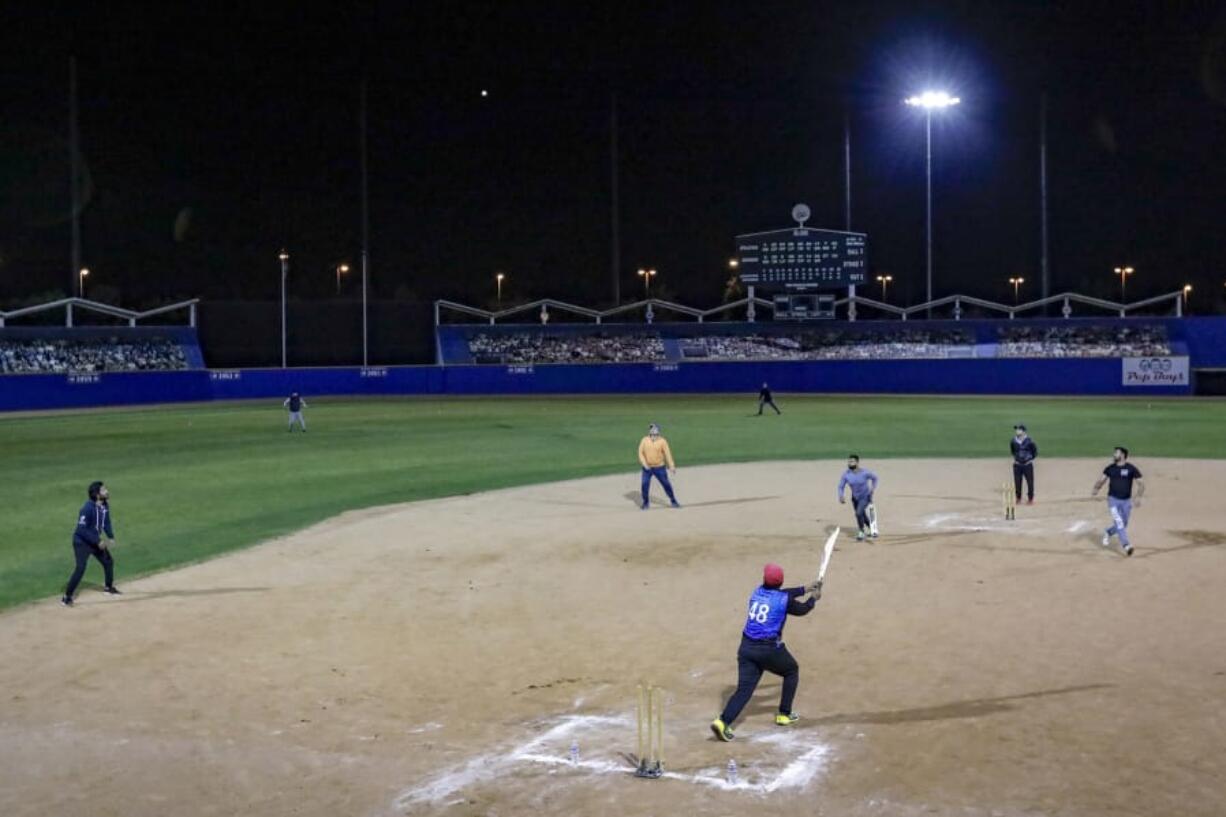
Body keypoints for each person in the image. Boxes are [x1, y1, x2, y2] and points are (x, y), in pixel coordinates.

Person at [711, 563, 822, 741]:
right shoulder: (784, 599)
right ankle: (784, 714)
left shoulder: (757, 592)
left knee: (744, 690)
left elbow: (784, 594)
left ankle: (723, 722)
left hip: (746, 649)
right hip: (768, 650)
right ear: (781, 581)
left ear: (764, 580)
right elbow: (801, 610)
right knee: (791, 671)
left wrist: (805, 588)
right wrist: (813, 599)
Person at [62, 481, 120, 606]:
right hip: (81, 542)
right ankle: (67, 597)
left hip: (94, 540)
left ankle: (108, 588)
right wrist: (97, 541)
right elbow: (82, 529)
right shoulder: (87, 508)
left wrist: (110, 537)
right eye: (104, 490)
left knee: (108, 561)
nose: (107, 491)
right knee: (80, 568)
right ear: (97, 494)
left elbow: (106, 522)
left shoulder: (104, 506)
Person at [1092, 446, 1144, 556]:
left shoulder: (1131, 468)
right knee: (1119, 522)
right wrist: (1096, 488)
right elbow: (1102, 480)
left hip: (1126, 501)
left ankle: (1108, 532)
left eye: (1116, 453)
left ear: (1123, 455)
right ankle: (1127, 545)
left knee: (1123, 523)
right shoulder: (1110, 468)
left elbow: (1141, 484)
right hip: (1113, 500)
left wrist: (1138, 496)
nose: (1114, 455)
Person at [637, 423, 679, 509]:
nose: (653, 433)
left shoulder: (662, 441)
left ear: (658, 432)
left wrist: (671, 466)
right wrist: (644, 464)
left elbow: (667, 454)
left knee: (666, 484)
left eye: (655, 431)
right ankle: (646, 503)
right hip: (647, 468)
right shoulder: (644, 440)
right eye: (651, 431)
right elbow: (640, 453)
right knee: (644, 485)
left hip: (659, 467)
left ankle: (673, 500)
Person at [836, 454, 879, 540]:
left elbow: (875, 478)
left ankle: (861, 531)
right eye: (849, 461)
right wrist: (841, 495)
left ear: (857, 462)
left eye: (852, 461)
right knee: (861, 514)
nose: (849, 463)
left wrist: (873, 489)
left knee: (858, 513)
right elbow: (841, 486)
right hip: (855, 498)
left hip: (865, 497)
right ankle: (871, 528)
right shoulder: (846, 475)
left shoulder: (865, 472)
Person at [1010, 423, 1038, 504]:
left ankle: (1030, 499)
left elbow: (1035, 452)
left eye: (1019, 429)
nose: (1017, 431)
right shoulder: (1013, 441)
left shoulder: (1030, 441)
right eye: (1016, 429)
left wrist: (1028, 459)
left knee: (1030, 482)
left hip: (1027, 465)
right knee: (1017, 482)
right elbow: (1013, 451)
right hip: (1017, 465)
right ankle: (1018, 498)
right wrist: (1017, 458)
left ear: (1024, 431)